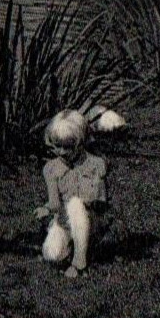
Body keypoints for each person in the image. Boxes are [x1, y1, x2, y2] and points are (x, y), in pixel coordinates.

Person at [35, 109, 109, 279]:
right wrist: (46, 209)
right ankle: (72, 246)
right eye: (56, 146)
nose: (61, 152)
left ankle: (79, 263)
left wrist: (87, 201)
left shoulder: (95, 165)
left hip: (90, 219)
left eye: (67, 147)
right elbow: (54, 202)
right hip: (64, 221)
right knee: (53, 255)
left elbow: (100, 202)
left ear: (80, 142)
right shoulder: (51, 169)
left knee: (76, 205)